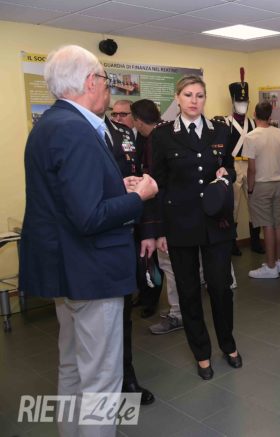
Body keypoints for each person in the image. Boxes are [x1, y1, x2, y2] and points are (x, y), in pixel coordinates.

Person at [19, 45, 158, 436]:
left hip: (68, 271)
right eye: (104, 79)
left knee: (71, 366)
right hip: (91, 272)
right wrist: (139, 197)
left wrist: (117, 187)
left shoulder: (50, 124)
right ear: (89, 82)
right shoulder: (76, 130)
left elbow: (69, 199)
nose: (107, 88)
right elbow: (89, 217)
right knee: (101, 379)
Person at [146, 75, 241, 380]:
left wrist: (227, 174)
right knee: (188, 292)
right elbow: (157, 185)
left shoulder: (221, 130)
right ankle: (201, 352)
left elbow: (230, 167)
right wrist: (159, 229)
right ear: (177, 98)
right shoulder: (162, 136)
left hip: (216, 223)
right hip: (180, 224)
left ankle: (228, 344)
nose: (194, 101)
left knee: (220, 288)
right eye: (188, 95)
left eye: (199, 95)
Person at [103, 101, 155, 405]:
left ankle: (126, 375)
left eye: (124, 114)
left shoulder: (124, 135)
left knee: (123, 312)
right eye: (116, 113)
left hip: (127, 232)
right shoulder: (80, 133)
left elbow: (141, 185)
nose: (120, 118)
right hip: (97, 235)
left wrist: (146, 231)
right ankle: (102, 385)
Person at [130, 99, 185, 335]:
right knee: (174, 265)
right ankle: (181, 309)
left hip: (166, 212)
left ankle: (178, 313)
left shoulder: (156, 140)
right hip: (175, 211)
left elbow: (157, 184)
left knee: (170, 266)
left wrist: (156, 227)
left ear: (139, 121)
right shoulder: (168, 133)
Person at [213, 69, 263, 257]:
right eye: (239, 102)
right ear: (233, 102)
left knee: (254, 204)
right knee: (233, 206)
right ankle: (232, 243)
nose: (242, 105)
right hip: (233, 166)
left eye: (245, 102)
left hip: (250, 166)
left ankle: (255, 241)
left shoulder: (253, 123)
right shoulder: (224, 122)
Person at [243, 101, 280, 278]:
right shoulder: (279, 133)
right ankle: (278, 262)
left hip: (261, 184)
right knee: (278, 224)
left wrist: (250, 189)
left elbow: (251, 169)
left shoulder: (251, 137)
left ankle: (270, 267)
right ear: (270, 116)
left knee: (267, 225)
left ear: (254, 114)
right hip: (278, 182)